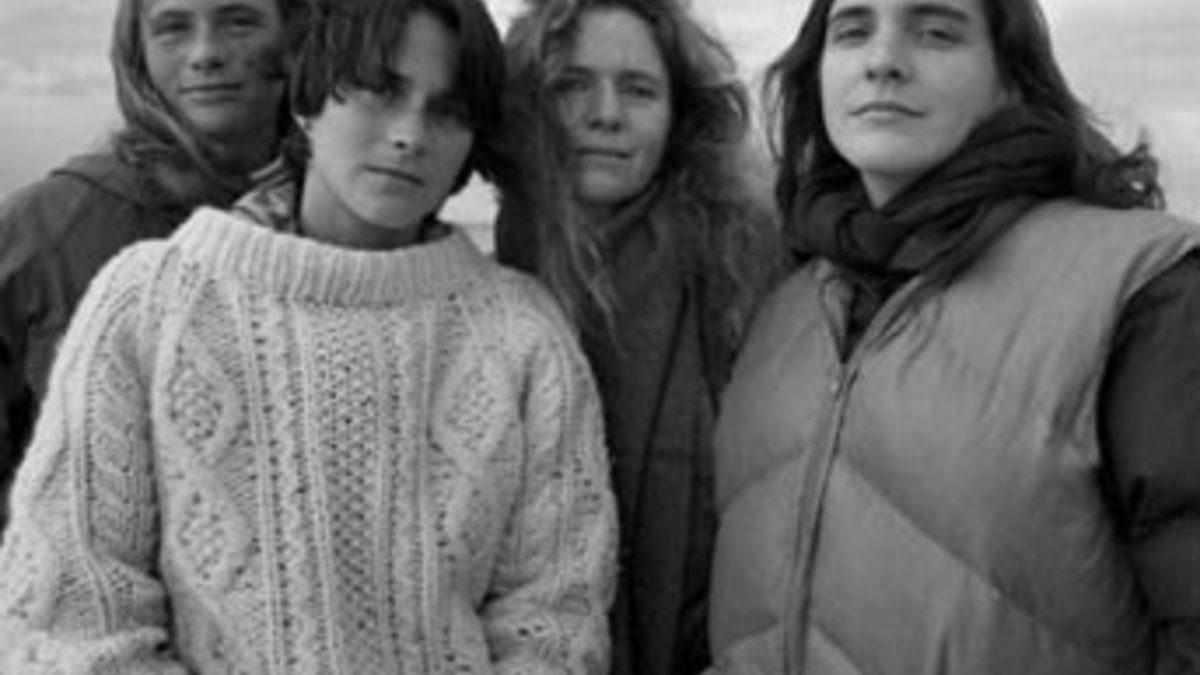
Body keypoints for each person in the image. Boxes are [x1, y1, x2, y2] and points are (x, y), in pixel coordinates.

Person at [0, 0, 618, 672]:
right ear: (307, 101)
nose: (409, 135)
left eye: (447, 112)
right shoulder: (148, 304)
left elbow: (555, 626)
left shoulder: (524, 336)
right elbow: (69, 621)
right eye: (380, 92)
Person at [707, 0, 1200, 672]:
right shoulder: (781, 307)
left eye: (937, 32)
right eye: (852, 32)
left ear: (1011, 81)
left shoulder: (1142, 287)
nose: (883, 61)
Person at [497, 1, 782, 674]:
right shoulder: (487, 278)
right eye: (572, 85)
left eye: (640, 90)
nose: (607, 114)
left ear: (681, 114)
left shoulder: (752, 266)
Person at [0, 0, 300, 530]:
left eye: (240, 21)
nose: (205, 54)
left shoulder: (351, 225)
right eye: (172, 28)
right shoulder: (42, 231)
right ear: (137, 53)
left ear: (297, 37)